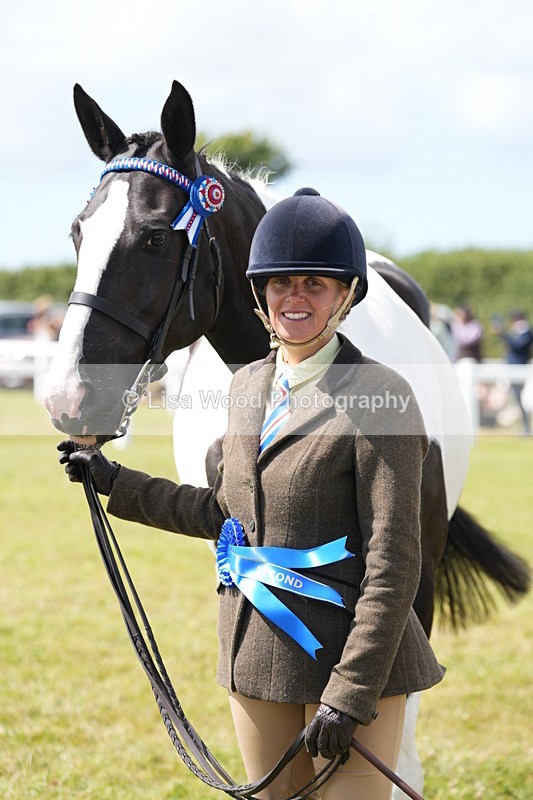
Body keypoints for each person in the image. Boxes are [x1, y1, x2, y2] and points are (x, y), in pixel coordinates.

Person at [59, 188, 444, 800]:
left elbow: (395, 563)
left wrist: (349, 694)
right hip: (257, 652)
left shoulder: (383, 396)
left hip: (355, 662)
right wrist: (115, 483)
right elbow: (226, 513)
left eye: (315, 284)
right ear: (260, 293)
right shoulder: (245, 388)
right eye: (280, 283)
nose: (295, 299)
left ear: (346, 294)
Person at [492, 311, 533, 435]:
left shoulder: (526, 333)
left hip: (519, 369)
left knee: (520, 399)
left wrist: (503, 333)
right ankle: (524, 425)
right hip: (513, 369)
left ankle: (526, 426)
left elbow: (517, 346)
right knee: (515, 399)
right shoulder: (518, 333)